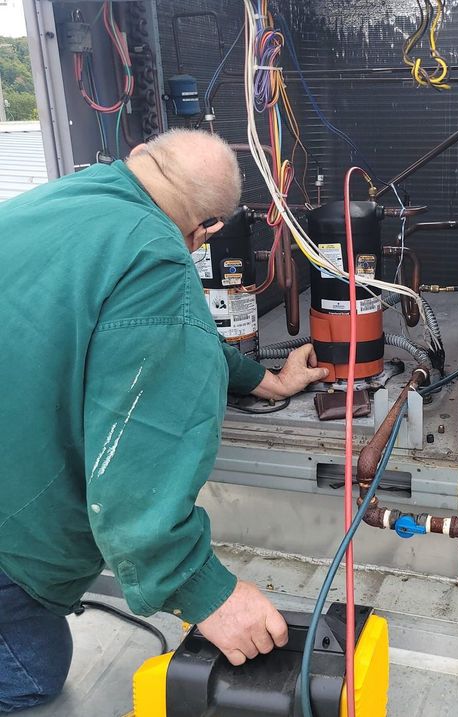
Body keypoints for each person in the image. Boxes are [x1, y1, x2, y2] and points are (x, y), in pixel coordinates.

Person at [0, 129, 328, 712]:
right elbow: (134, 462)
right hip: (10, 538)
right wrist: (208, 595)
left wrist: (262, 378)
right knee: (33, 671)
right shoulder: (157, 259)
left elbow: (140, 333)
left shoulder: (58, 200)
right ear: (206, 231)